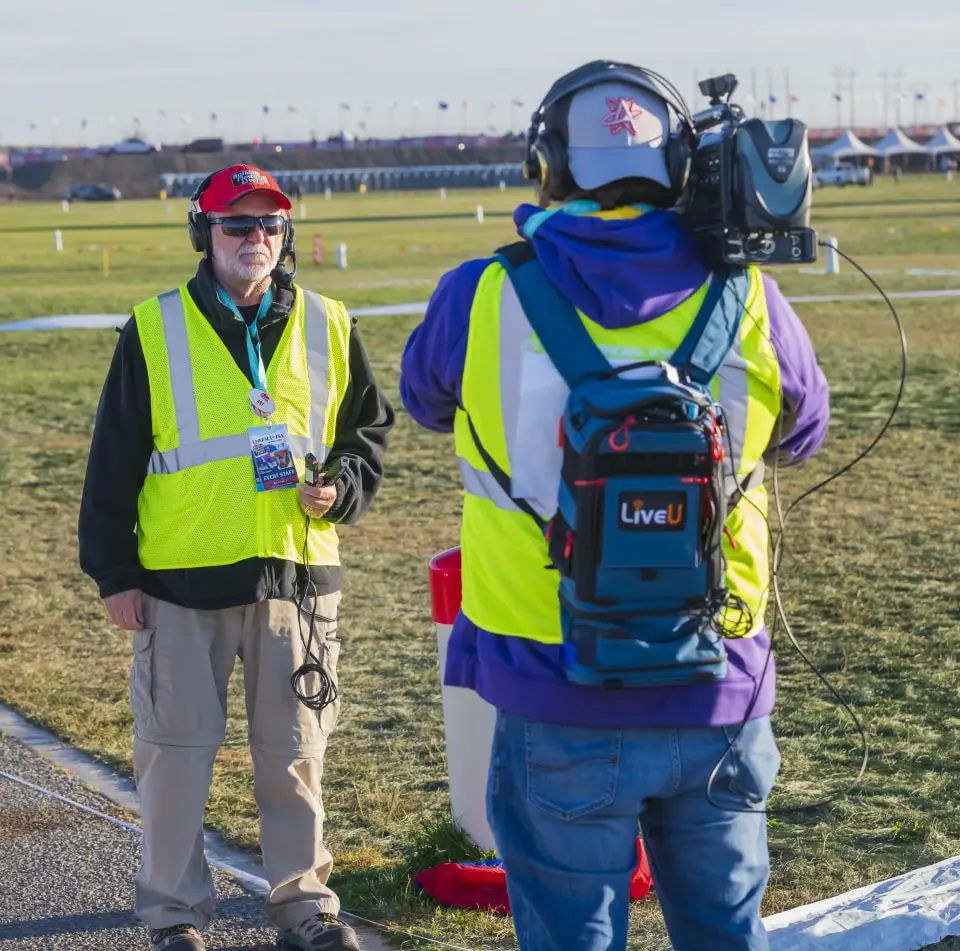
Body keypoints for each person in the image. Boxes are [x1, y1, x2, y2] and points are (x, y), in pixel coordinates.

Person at [399, 62, 830, 951]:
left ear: (544, 163)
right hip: (719, 681)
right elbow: (806, 429)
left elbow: (424, 397)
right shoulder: (749, 290)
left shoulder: (480, 292)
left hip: (555, 684)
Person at [79, 163, 394, 951]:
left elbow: (366, 437)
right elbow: (111, 459)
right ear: (203, 233)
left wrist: (343, 487)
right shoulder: (154, 328)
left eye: (269, 225)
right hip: (181, 582)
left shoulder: (329, 320)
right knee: (175, 757)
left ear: (285, 236)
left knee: (295, 755)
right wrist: (114, 573)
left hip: (296, 576)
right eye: (236, 224)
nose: (256, 238)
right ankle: (175, 912)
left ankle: (304, 905)